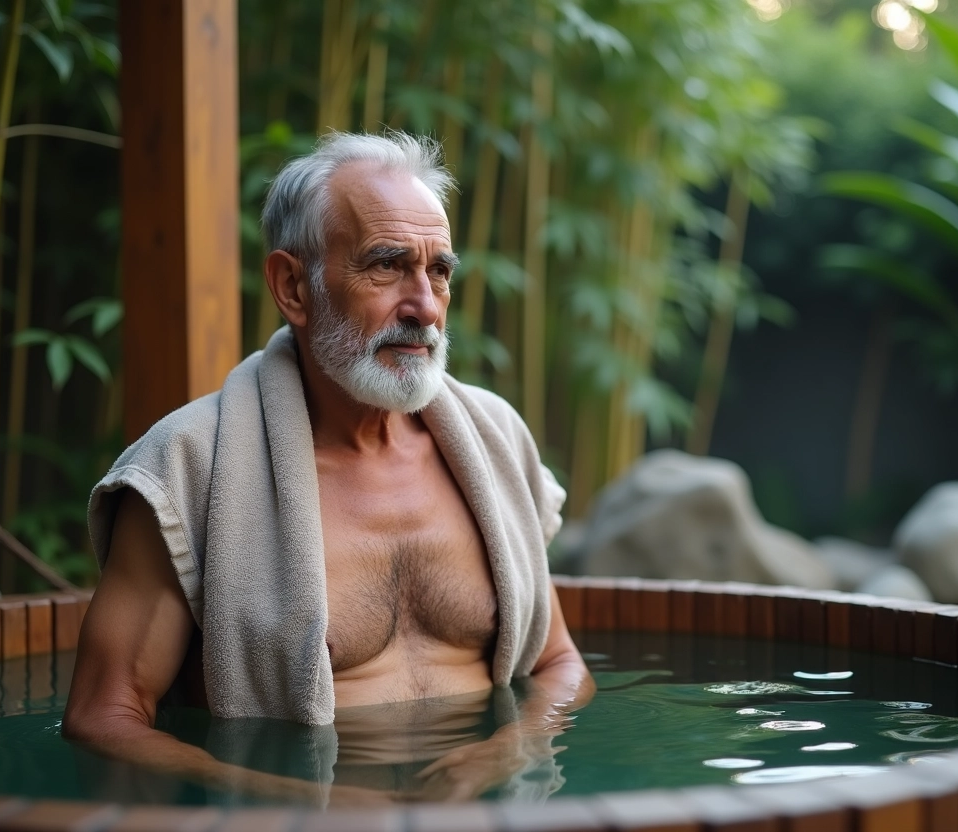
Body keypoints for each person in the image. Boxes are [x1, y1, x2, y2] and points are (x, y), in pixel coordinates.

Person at [62, 131, 593, 804]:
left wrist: (506, 751)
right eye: (387, 265)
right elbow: (102, 717)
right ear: (293, 286)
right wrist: (298, 800)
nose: (425, 307)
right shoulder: (188, 468)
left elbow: (559, 664)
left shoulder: (493, 441)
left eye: (439, 272)